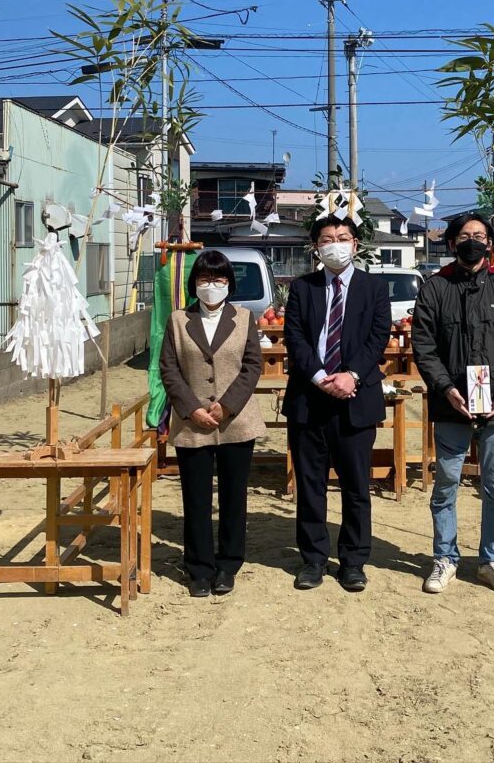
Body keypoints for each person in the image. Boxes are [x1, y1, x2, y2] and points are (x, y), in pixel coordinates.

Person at [412, 213, 494, 596]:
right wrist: (445, 388)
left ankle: (491, 559)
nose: (472, 242)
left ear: (491, 243)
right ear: (451, 244)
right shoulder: (435, 288)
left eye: (479, 236)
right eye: (464, 236)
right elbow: (424, 346)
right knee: (447, 481)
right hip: (452, 404)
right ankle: (445, 557)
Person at [282, 216, 391, 592]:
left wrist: (351, 376)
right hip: (309, 399)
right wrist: (318, 377)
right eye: (327, 239)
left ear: (355, 244)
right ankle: (312, 559)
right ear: (316, 247)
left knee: (356, 485)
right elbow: (294, 336)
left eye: (343, 238)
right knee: (310, 484)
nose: (335, 244)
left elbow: (378, 337)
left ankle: (354, 560)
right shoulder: (302, 287)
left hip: (356, 398)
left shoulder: (374, 288)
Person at [159, 249, 266, 598]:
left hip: (235, 421)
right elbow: (169, 369)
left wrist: (227, 406)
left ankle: (229, 564)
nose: (212, 285)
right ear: (195, 283)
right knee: (196, 498)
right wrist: (191, 409)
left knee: (234, 497)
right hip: (192, 423)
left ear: (229, 284)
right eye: (205, 279)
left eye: (219, 279)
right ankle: (199, 568)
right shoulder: (178, 320)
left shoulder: (244, 318)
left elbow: (252, 367)